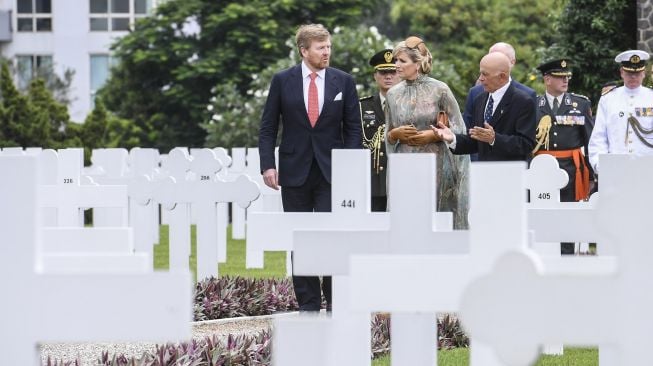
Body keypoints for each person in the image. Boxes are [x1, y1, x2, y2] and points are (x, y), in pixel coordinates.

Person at [258, 24, 362, 312]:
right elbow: (268, 127)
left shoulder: (344, 81)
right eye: (320, 48)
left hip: (332, 173)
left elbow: (353, 128)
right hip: (294, 171)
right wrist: (268, 164)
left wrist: (348, 164)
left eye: (328, 46)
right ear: (304, 51)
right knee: (300, 237)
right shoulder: (282, 80)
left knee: (332, 237)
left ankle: (335, 300)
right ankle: (308, 303)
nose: (326, 52)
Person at [385, 36, 470, 229]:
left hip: (436, 162)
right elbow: (388, 134)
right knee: (407, 215)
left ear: (417, 64)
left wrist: (433, 135)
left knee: (433, 215)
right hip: (404, 161)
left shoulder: (440, 90)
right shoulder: (392, 94)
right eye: (396, 60)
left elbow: (459, 128)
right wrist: (396, 134)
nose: (396, 65)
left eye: (402, 61)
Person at [532, 58, 594, 255]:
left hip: (571, 169)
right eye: (559, 77)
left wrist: (591, 175)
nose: (565, 80)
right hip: (540, 169)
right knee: (543, 216)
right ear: (547, 79)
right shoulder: (533, 105)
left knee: (568, 217)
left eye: (567, 77)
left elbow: (590, 141)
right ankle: (543, 256)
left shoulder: (580, 104)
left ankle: (567, 258)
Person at [433, 52, 536, 162]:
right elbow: (476, 141)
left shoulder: (523, 101)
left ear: (502, 76)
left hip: (510, 172)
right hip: (484, 172)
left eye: (485, 74)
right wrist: (452, 138)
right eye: (480, 74)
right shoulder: (480, 99)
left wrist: (494, 139)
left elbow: (526, 144)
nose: (480, 79)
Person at [589, 50, 653, 174]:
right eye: (629, 72)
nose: (633, 76)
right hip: (615, 169)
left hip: (647, 168)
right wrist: (598, 164)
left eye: (637, 72)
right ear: (622, 72)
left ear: (644, 73)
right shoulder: (608, 99)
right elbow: (599, 136)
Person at [360, 49, 401, 212]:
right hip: (373, 181)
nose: (388, 76)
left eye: (392, 72)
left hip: (402, 177)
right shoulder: (361, 107)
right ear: (375, 75)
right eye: (383, 72)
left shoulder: (411, 106)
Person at [462, 42, 536, 130]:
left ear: (512, 63)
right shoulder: (476, 93)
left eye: (500, 57)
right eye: (491, 57)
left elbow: (526, 138)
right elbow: (466, 129)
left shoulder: (526, 95)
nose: (493, 61)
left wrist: (494, 139)